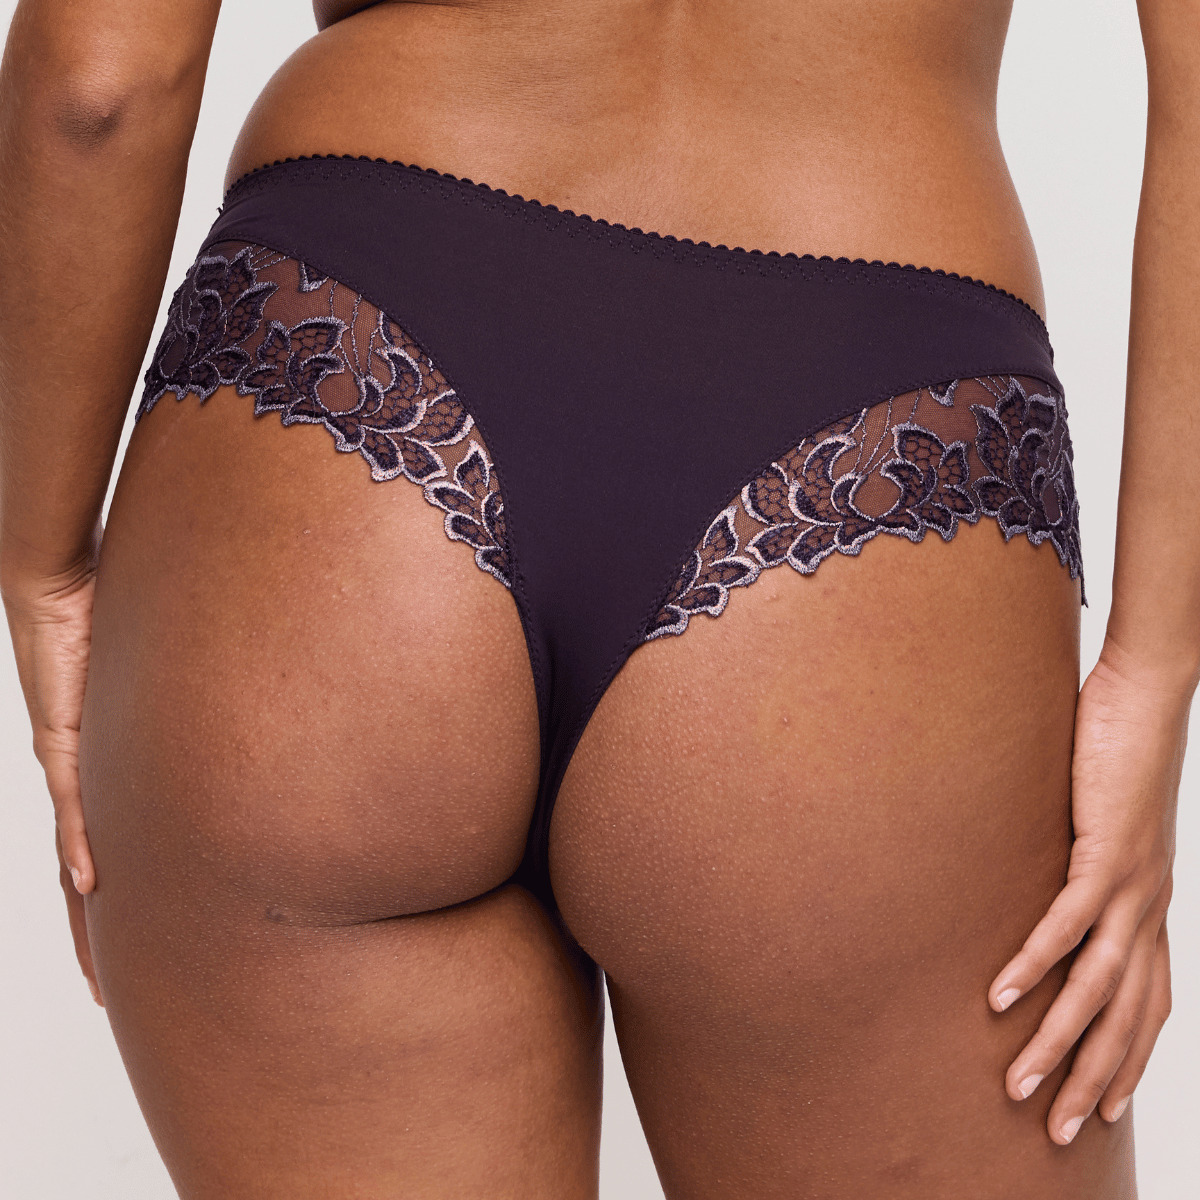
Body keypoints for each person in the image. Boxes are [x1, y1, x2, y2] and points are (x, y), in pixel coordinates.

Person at [0, 0, 1191, 1195]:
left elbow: (97, 86)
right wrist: (1153, 672)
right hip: (869, 438)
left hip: (345, 386)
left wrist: (41, 563)